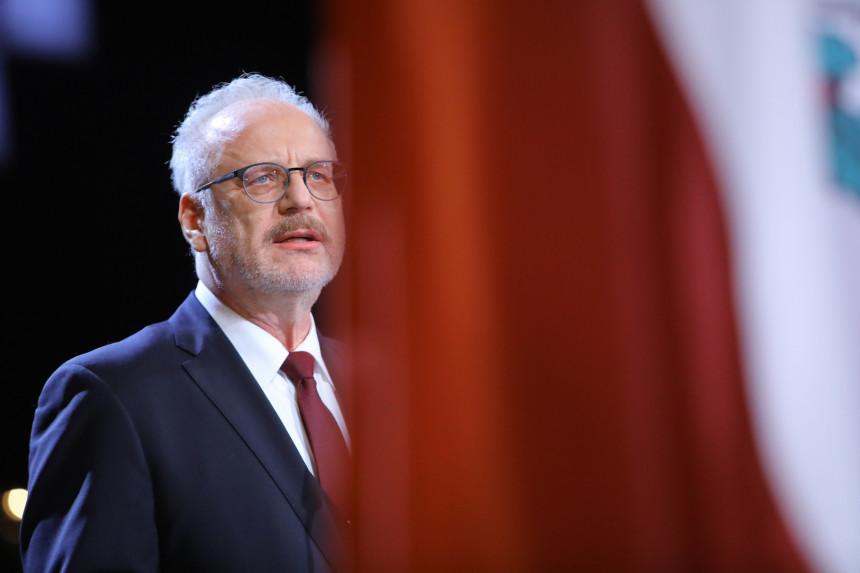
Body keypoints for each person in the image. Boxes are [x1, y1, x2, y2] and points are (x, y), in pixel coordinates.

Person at [19, 73, 352, 572]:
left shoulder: (390, 387)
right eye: (263, 177)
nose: (301, 199)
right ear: (195, 220)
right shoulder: (112, 396)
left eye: (319, 175)